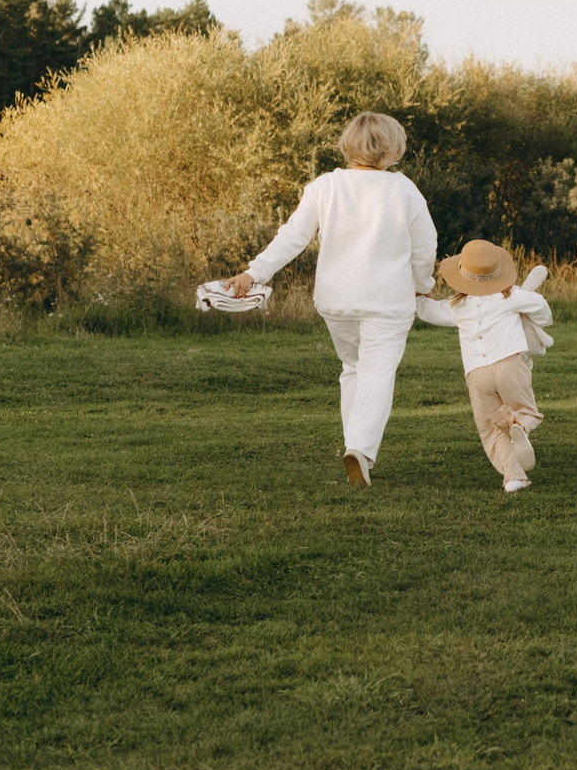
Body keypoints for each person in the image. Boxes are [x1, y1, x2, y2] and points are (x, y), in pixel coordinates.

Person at [223, 112, 436, 487]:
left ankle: (356, 447)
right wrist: (422, 284)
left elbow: (291, 238)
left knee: (352, 368)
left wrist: (253, 272)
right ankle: (360, 449)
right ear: (392, 148)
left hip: (337, 299)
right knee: (377, 373)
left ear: (348, 144)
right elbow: (424, 247)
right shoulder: (404, 190)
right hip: (388, 299)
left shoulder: (325, 186)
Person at [412, 241, 553, 492]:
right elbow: (543, 310)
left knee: (491, 429)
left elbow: (428, 311)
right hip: (510, 363)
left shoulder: (457, 306)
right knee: (526, 410)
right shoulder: (512, 295)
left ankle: (514, 478)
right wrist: (531, 318)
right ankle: (520, 425)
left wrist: (420, 297)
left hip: (477, 373)